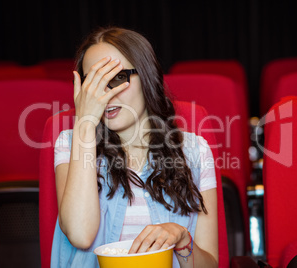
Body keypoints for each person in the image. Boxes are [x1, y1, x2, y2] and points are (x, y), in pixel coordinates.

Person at [51, 26, 219, 267]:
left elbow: (210, 264)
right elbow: (80, 233)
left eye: (118, 78)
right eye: (94, 83)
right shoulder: (71, 144)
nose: (105, 94)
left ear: (147, 76)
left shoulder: (195, 151)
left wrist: (183, 240)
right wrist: (85, 125)